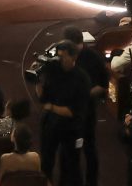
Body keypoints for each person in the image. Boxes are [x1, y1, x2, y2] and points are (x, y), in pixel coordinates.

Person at [39, 42, 94, 186]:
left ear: (74, 56)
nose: (59, 59)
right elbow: (43, 98)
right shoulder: (53, 71)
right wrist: (38, 80)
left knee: (71, 165)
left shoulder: (82, 79)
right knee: (46, 162)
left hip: (72, 129)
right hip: (51, 124)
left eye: (63, 56)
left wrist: (51, 107)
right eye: (58, 56)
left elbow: (73, 112)